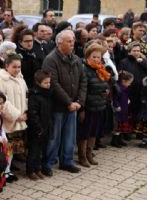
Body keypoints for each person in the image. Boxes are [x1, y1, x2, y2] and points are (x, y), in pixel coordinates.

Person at [42, 30, 87, 176]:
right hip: (57, 106)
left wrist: (79, 101)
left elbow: (83, 81)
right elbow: (53, 84)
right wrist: (69, 102)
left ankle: (67, 162)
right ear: (60, 43)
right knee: (54, 137)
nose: (72, 43)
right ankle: (48, 164)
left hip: (73, 105)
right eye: (69, 41)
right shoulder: (51, 59)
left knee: (69, 137)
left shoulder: (76, 59)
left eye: (73, 40)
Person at [0, 54, 28, 182]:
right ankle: (3, 172)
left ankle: (8, 171)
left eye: (19, 67)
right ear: (6, 66)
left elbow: (25, 97)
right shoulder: (0, 81)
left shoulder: (21, 79)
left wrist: (25, 113)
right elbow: (3, 102)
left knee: (12, 148)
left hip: (19, 120)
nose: (17, 69)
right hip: (7, 121)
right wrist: (17, 115)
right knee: (6, 148)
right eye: (14, 67)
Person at [77, 43, 110, 167]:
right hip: (88, 106)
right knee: (85, 132)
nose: (97, 59)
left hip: (100, 105)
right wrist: (82, 109)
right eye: (94, 57)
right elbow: (83, 89)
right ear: (88, 56)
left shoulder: (101, 69)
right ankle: (82, 156)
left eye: (99, 57)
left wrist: (106, 91)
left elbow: (104, 84)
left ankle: (89, 153)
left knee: (94, 132)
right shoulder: (84, 68)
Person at [26, 69, 53, 180]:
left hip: (46, 127)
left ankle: (38, 169)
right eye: (45, 83)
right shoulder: (34, 96)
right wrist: (38, 127)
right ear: (38, 83)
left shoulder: (47, 95)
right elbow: (33, 113)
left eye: (49, 82)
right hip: (36, 129)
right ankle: (30, 170)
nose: (48, 85)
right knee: (34, 150)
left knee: (42, 150)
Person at [112, 71, 134, 147]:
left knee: (121, 126)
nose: (130, 84)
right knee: (117, 126)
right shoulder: (118, 88)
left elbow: (125, 96)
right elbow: (115, 98)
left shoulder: (125, 88)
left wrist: (127, 100)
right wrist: (117, 105)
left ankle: (119, 139)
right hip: (119, 110)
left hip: (124, 109)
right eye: (129, 82)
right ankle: (114, 141)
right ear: (124, 81)